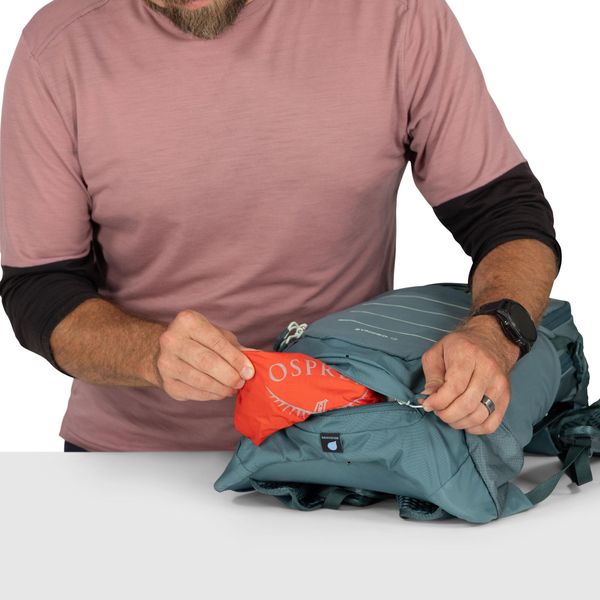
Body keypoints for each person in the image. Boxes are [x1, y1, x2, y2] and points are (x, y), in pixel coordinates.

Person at [0, 0, 561, 452]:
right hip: (132, 458)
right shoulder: (58, 47)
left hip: (348, 448)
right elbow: (39, 288)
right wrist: (147, 353)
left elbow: (506, 215)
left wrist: (495, 333)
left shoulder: (396, 15)